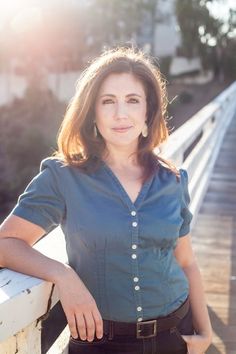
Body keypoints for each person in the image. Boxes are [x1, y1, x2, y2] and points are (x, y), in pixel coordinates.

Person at [0, 46, 212, 354]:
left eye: (132, 100)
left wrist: (205, 335)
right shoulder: (62, 177)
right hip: (100, 344)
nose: (120, 113)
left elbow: (187, 262)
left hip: (175, 335)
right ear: (93, 113)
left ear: (148, 113)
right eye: (108, 101)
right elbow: (6, 242)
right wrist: (63, 275)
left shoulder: (173, 179)